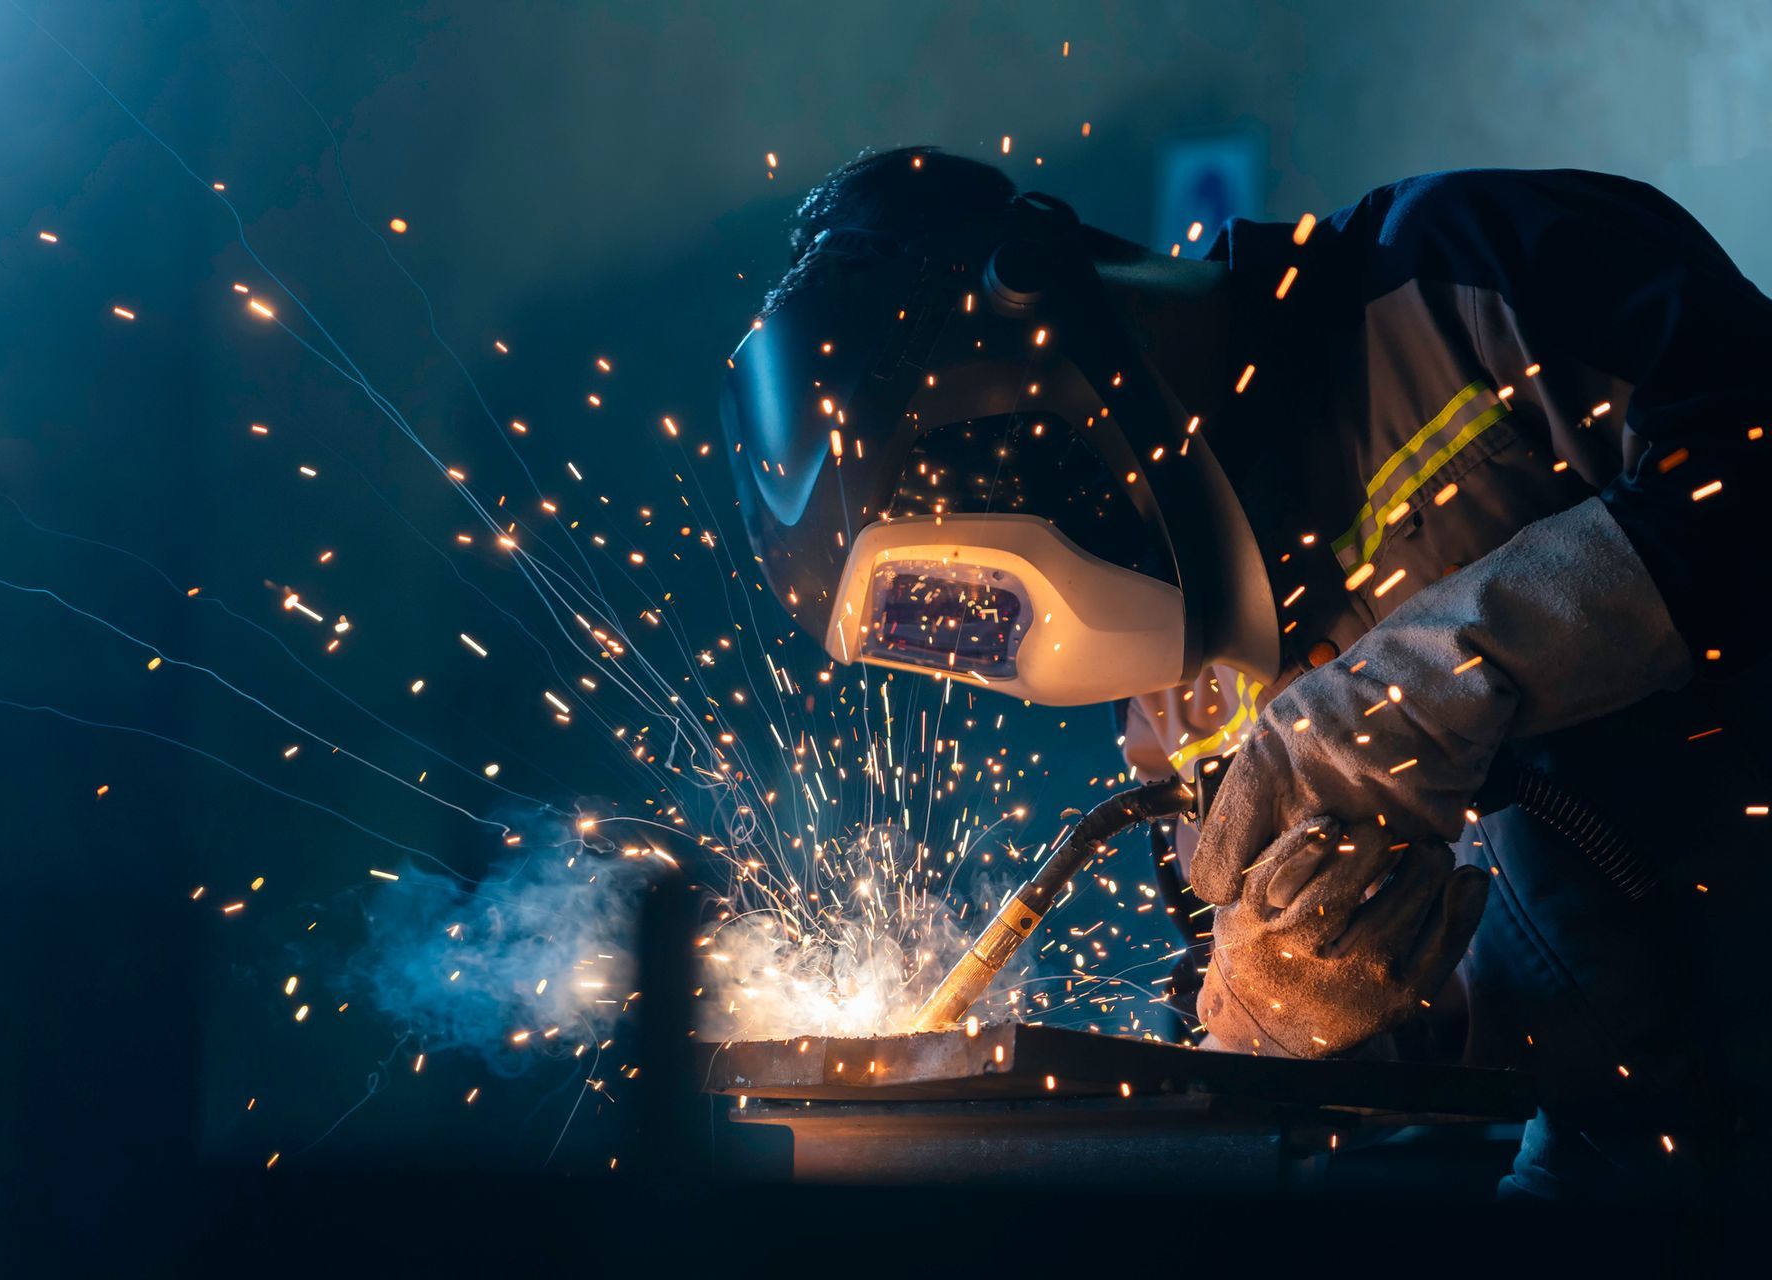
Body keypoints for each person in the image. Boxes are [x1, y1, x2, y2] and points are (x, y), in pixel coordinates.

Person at [719, 146, 1770, 1200]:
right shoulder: (1181, 711)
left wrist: (1438, 670)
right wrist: (1286, 1022)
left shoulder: (1458, 270)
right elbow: (1359, 1090)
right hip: (1636, 1166)